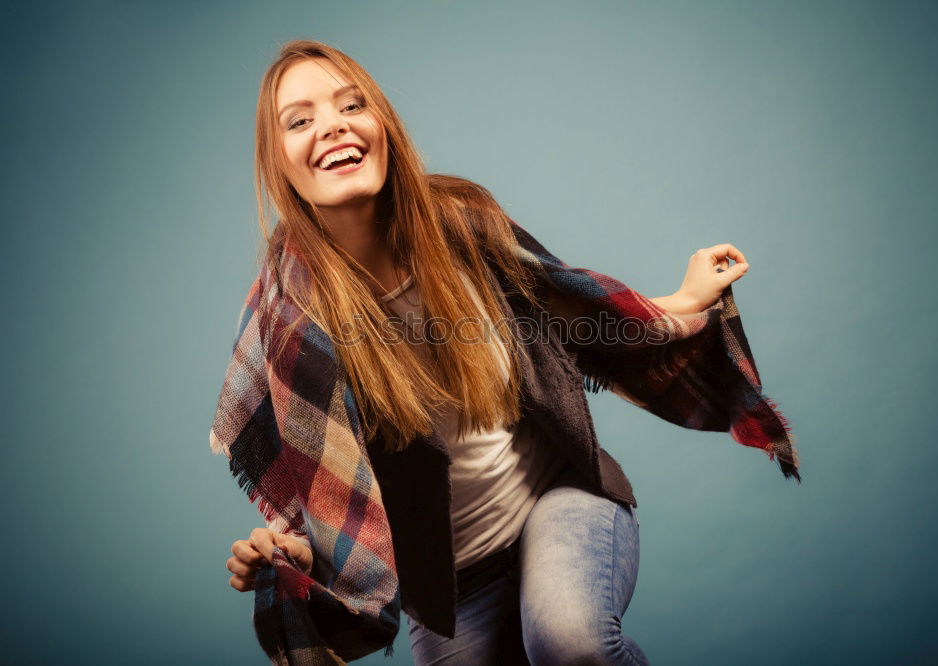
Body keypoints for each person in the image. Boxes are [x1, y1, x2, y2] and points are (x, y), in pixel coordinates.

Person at [218, 39, 769, 665]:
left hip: (558, 500)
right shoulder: (288, 321)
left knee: (570, 642)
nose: (333, 125)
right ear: (278, 164)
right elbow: (322, 488)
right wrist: (294, 554)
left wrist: (684, 299)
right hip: (451, 583)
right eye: (300, 119)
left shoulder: (461, 222)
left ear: (383, 126)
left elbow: (579, 312)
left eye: (352, 104)